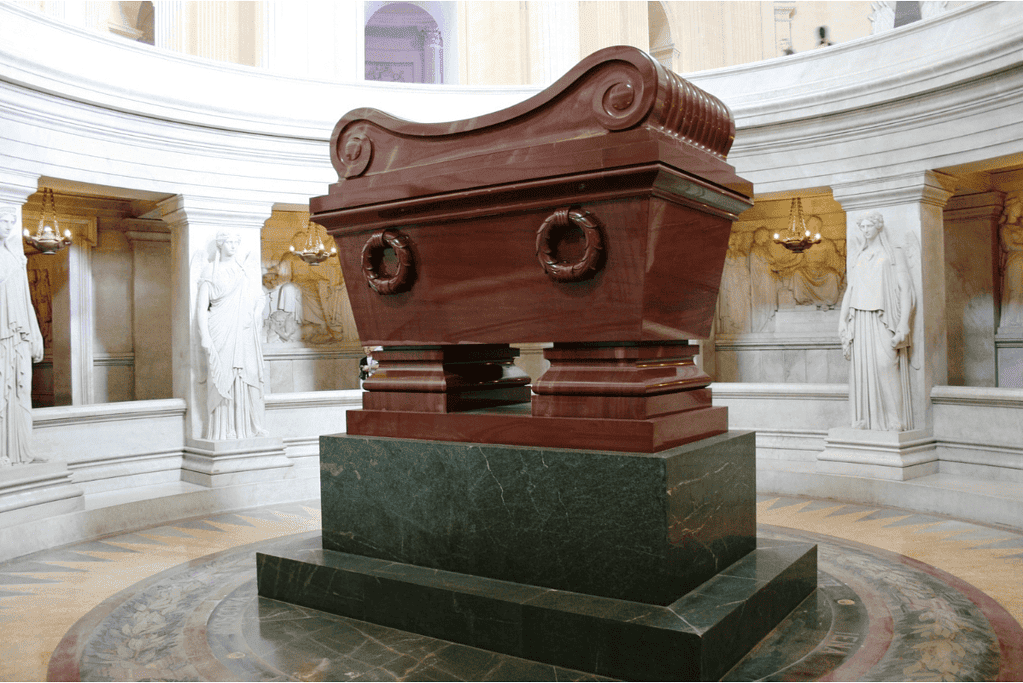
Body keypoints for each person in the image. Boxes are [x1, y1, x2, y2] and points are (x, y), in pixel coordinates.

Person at [839, 212, 914, 431]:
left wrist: (904, 323)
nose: (865, 230)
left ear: (878, 227)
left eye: (869, 225)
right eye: (861, 226)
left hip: (883, 317)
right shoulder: (860, 255)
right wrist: (842, 321)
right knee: (862, 368)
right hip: (860, 317)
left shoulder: (892, 252)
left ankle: (895, 419)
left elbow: (905, 287)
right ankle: (864, 419)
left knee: (885, 365)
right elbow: (850, 290)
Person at [196, 231, 268, 440]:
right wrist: (204, 336)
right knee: (223, 376)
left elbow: (258, 298)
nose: (234, 246)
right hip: (220, 327)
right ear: (220, 244)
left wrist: (256, 312)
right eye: (230, 242)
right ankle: (224, 429)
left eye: (237, 242)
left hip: (244, 329)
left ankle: (249, 427)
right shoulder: (211, 270)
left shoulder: (243, 271)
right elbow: (201, 309)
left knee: (248, 375)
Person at [0, 206, 45, 465]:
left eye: (11, 222)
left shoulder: (17, 258)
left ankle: (19, 451)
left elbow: (27, 300)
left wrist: (35, 332)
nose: (8, 226)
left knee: (20, 387)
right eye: (3, 221)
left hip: (18, 333)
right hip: (2, 332)